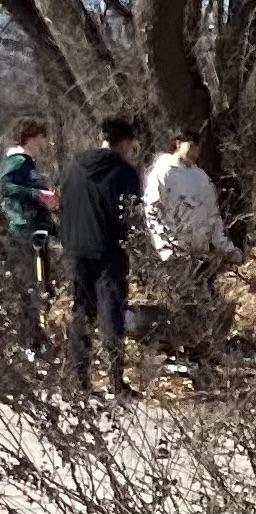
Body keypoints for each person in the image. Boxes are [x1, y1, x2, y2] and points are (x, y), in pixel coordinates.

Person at [60, 117, 141, 400]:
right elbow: (131, 216)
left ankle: (79, 380)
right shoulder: (124, 173)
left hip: (75, 249)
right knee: (111, 314)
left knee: (81, 312)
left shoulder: (73, 166)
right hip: (109, 252)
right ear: (125, 142)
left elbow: (62, 204)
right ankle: (116, 382)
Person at [0, 117, 59, 356]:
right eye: (42, 137)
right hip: (23, 232)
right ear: (31, 137)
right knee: (28, 286)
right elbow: (4, 186)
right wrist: (37, 194)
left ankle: (36, 335)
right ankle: (28, 343)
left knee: (38, 284)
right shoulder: (17, 161)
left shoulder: (27, 163)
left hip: (35, 232)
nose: (45, 143)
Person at [144, 129, 242, 264]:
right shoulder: (163, 172)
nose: (196, 151)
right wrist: (166, 248)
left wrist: (227, 249)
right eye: (192, 145)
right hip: (174, 255)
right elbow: (153, 212)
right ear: (178, 143)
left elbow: (213, 216)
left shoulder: (201, 177)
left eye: (198, 146)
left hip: (202, 255)